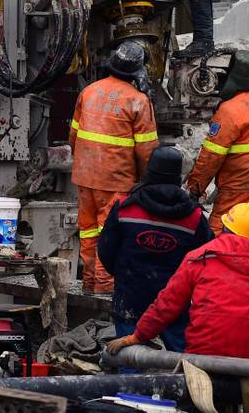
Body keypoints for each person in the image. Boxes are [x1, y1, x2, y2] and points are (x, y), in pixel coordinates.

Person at [106, 202, 249, 362]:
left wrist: (137, 337)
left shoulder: (199, 258)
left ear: (225, 225)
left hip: (204, 353)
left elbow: (167, 304)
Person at [98, 146, 213, 352]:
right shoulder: (194, 217)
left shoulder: (125, 208)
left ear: (149, 171)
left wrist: (125, 276)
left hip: (130, 298)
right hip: (174, 302)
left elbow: (105, 250)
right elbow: (206, 259)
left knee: (127, 359)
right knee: (183, 365)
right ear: (178, 176)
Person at [70, 41, 158, 293]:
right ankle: (104, 292)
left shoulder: (89, 92)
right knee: (110, 235)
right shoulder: (139, 101)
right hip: (116, 179)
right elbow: (147, 151)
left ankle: (89, 284)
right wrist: (145, 181)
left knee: (88, 233)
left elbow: (73, 136)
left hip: (85, 176)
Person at [186, 50, 249, 252]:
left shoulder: (229, 111)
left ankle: (217, 277)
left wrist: (195, 188)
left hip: (240, 184)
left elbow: (210, 157)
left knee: (220, 233)